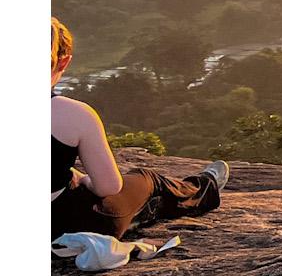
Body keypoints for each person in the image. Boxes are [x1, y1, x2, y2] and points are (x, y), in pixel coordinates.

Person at [50, 17, 226, 237]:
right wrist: (84, 179)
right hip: (62, 226)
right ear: (63, 62)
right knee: (146, 179)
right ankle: (205, 187)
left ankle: (145, 212)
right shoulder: (75, 114)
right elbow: (108, 187)